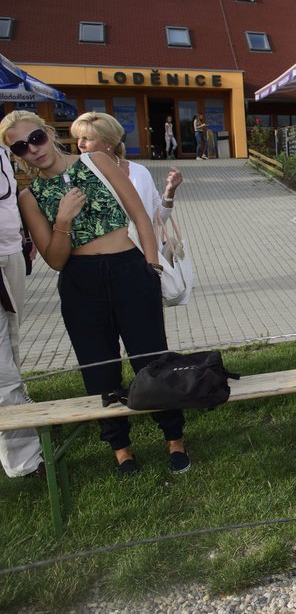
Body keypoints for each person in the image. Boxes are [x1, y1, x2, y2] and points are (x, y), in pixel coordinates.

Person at [2, 111, 189, 476]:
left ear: (49, 133)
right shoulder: (29, 196)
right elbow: (55, 260)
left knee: (151, 359)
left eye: (36, 138)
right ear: (16, 155)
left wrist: (151, 266)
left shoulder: (97, 161)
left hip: (130, 269)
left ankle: (174, 439)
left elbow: (139, 214)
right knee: (99, 369)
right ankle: (121, 449)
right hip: (80, 281)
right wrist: (63, 220)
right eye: (21, 147)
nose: (33, 150)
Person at [0, 143, 43, 478]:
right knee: (2, 363)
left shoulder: (1, 151)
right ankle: (24, 461)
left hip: (10, 253)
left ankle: (19, 434)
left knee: (11, 350)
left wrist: (24, 238)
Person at [71, 112, 183, 226]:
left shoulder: (139, 172)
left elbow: (158, 220)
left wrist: (170, 192)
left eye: (87, 139)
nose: (80, 144)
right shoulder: (74, 176)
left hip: (141, 243)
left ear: (109, 143)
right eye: (78, 138)